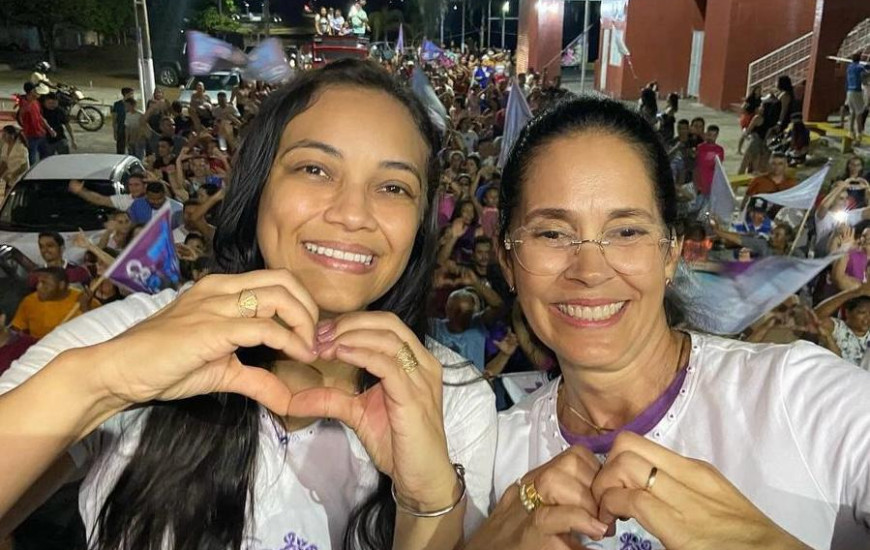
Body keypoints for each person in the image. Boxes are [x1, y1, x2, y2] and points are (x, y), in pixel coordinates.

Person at [0, 60, 495, 550]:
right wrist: (102, 383)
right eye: (315, 169)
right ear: (258, 186)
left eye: (393, 187)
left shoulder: (451, 398)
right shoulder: (131, 334)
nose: (352, 214)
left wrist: (426, 496)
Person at [465, 96, 867, 550]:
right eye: (553, 233)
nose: (590, 270)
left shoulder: (800, 398)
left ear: (671, 252)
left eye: (627, 231)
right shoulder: (497, 458)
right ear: (507, 258)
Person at [10, 268, 94, 339]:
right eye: (38, 282)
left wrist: (85, 309)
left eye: (45, 283)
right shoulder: (29, 301)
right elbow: (16, 330)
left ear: (61, 285)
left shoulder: (84, 300)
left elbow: (95, 331)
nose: (38, 287)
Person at [814, 287, 870, 366]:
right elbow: (816, 316)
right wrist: (853, 292)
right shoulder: (837, 328)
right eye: (861, 312)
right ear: (847, 312)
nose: (867, 318)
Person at [26, 232, 91, 289]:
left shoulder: (78, 272)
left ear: (62, 248)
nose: (45, 250)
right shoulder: (35, 276)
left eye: (50, 246)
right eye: (41, 247)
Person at [68, 171, 147, 213]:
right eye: (130, 185)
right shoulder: (124, 200)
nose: (133, 188)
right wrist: (81, 191)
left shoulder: (153, 199)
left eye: (136, 185)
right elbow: (100, 200)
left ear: (145, 186)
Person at [17, 82, 54, 165]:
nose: (37, 92)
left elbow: (40, 117)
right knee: (32, 160)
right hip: (32, 136)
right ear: (31, 92)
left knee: (45, 157)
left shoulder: (36, 102)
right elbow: (20, 117)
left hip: (41, 133)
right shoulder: (24, 105)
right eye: (35, 90)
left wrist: (49, 129)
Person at [692, 124, 724, 200]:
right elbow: (696, 166)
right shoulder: (700, 147)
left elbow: (718, 166)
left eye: (714, 135)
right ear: (706, 134)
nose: (711, 137)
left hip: (712, 184)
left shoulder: (719, 150)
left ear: (717, 136)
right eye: (709, 135)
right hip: (700, 183)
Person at [0, 125, 29, 202]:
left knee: (16, 201)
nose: (2, 136)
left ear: (12, 135)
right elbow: (4, 162)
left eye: (5, 134)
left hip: (19, 179)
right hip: (10, 180)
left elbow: (24, 167)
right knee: (7, 200)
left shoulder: (21, 148)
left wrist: (13, 175)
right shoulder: (5, 146)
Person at [846, 53, 869, 145]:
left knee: (852, 112)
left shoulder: (849, 67)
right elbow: (866, 73)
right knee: (859, 113)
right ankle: (859, 134)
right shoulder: (860, 68)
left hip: (849, 91)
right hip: (857, 91)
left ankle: (851, 132)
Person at [112, 87, 134, 154]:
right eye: (131, 94)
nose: (132, 96)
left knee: (132, 148)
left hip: (131, 129)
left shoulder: (133, 104)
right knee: (120, 148)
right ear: (125, 94)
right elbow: (114, 119)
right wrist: (115, 132)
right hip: (121, 128)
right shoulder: (117, 105)